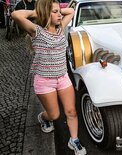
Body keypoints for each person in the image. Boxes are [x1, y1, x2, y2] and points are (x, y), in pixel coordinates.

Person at [11, 0, 87, 155]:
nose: (60, 15)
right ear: (46, 13)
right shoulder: (36, 31)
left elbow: (71, 11)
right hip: (45, 81)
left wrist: (55, 10)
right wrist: (39, 12)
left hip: (63, 78)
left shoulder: (61, 28)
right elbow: (15, 14)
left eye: (59, 11)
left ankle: (74, 140)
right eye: (55, 12)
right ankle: (43, 118)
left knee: (71, 111)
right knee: (54, 115)